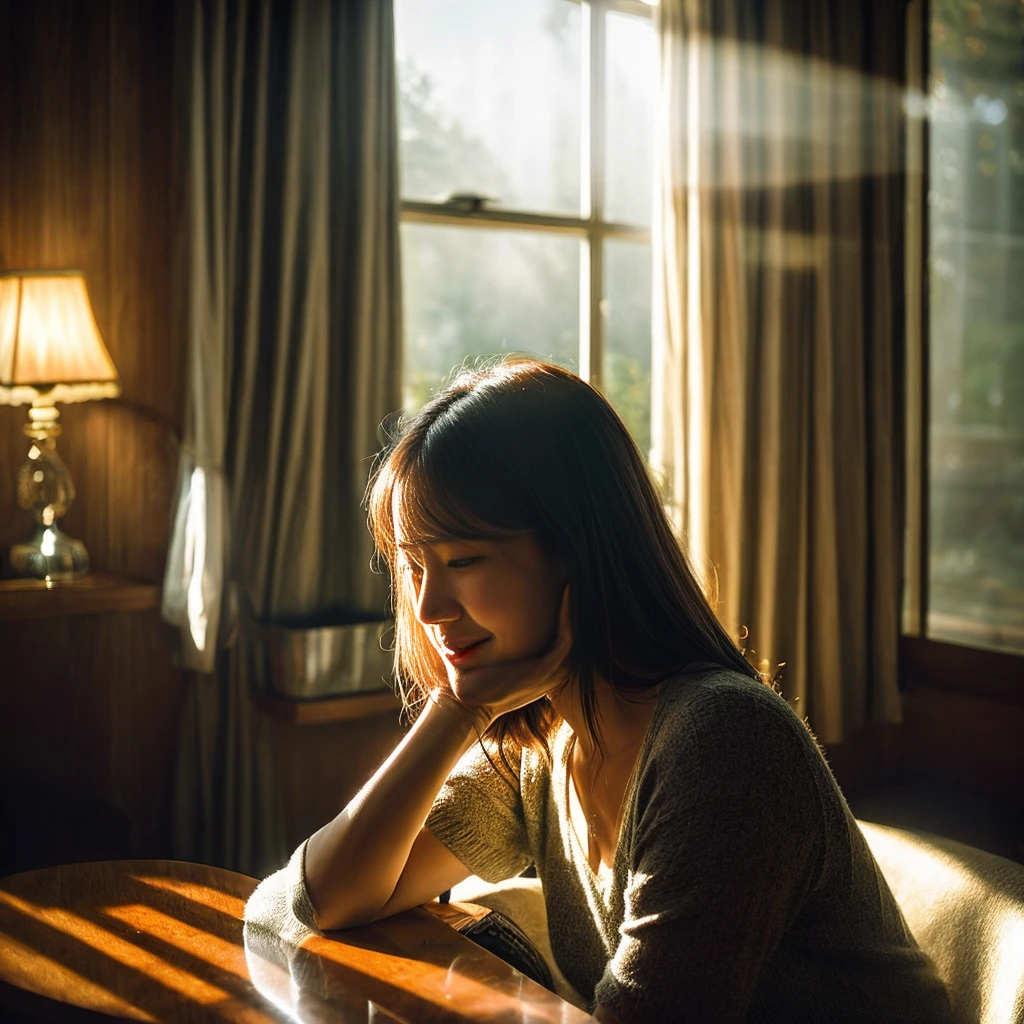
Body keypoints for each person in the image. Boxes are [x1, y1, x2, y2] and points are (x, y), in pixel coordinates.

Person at [245, 359, 953, 1023]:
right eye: (413, 567)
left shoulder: (722, 739)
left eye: (463, 559)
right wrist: (459, 708)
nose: (428, 610)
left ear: (578, 552)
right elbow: (321, 898)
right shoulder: (546, 740)